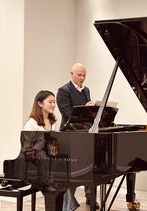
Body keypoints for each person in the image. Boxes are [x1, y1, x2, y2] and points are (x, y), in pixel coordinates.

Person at [22, 90, 79, 211]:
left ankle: (63, 200)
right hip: (35, 164)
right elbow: (27, 148)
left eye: (54, 102)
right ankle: (49, 186)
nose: (53, 105)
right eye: (50, 102)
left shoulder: (53, 122)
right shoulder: (31, 123)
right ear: (40, 104)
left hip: (48, 163)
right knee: (44, 159)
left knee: (64, 171)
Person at [56, 63, 99, 209]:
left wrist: (93, 108)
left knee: (90, 165)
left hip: (84, 133)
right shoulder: (63, 91)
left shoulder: (86, 90)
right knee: (73, 169)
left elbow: (87, 116)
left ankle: (90, 197)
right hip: (70, 134)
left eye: (84, 75)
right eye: (79, 74)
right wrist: (86, 109)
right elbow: (67, 114)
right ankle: (68, 202)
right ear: (71, 74)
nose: (82, 78)